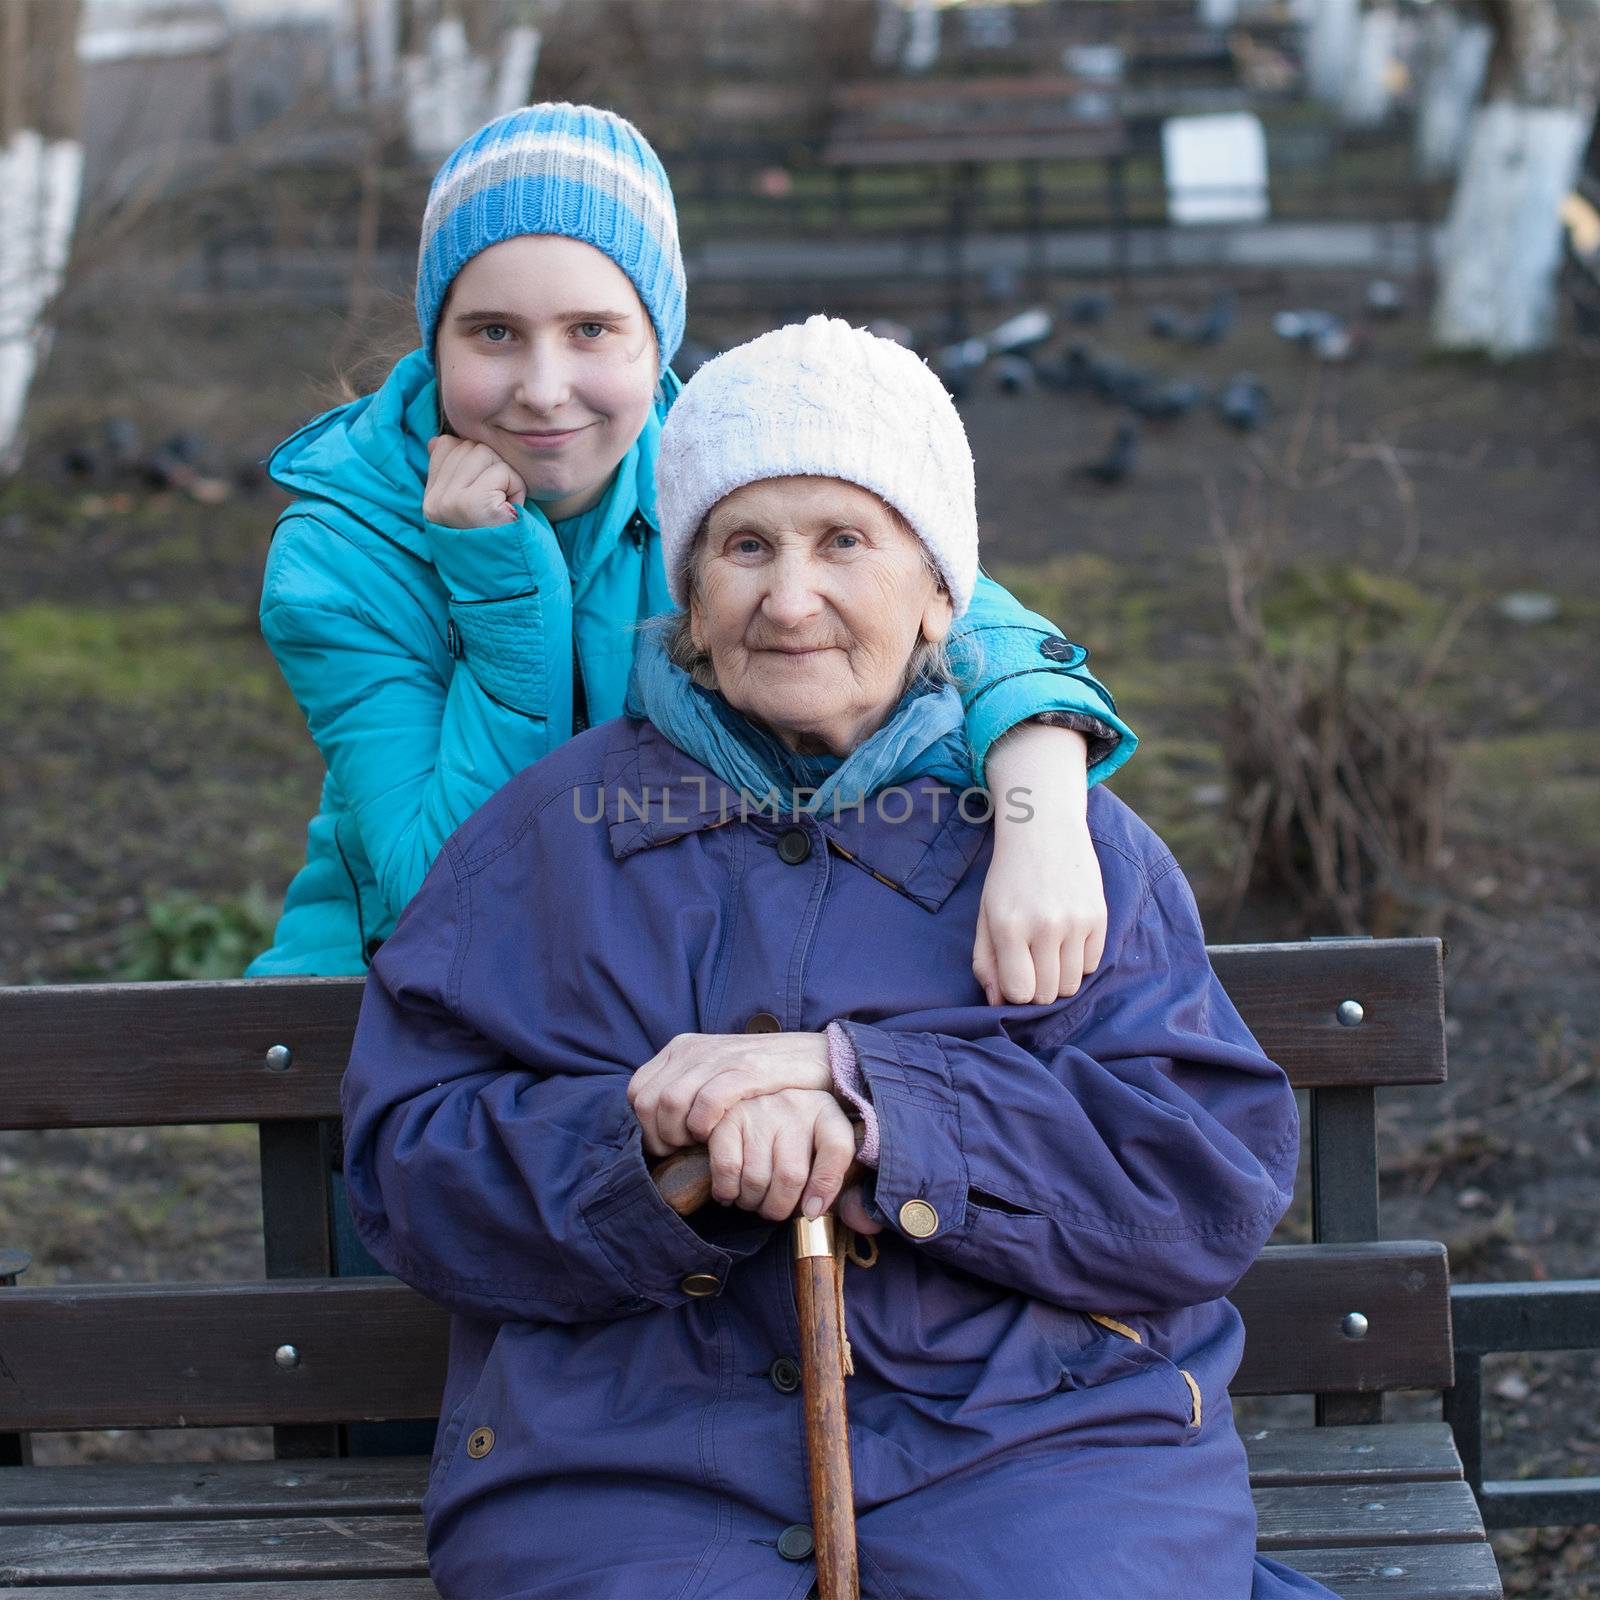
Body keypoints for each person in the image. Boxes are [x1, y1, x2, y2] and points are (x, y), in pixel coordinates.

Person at [341, 317, 1337, 1599]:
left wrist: (875, 1110)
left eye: (844, 541)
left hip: (1037, 1451)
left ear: (941, 592)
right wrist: (649, 1152)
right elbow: (407, 1164)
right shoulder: (551, 833)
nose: (789, 595)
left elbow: (1195, 1179)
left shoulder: (1062, 842)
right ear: (692, 604)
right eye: (745, 545)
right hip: (627, 1467)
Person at [247, 102, 1135, 1005]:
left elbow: (962, 616)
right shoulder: (338, 560)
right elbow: (453, 893)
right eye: (494, 333)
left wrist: (1046, 822)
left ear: (656, 337)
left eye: (591, 329)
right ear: (437, 338)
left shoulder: (716, 462)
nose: (545, 390)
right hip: (393, 1019)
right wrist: (494, 586)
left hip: (654, 980)